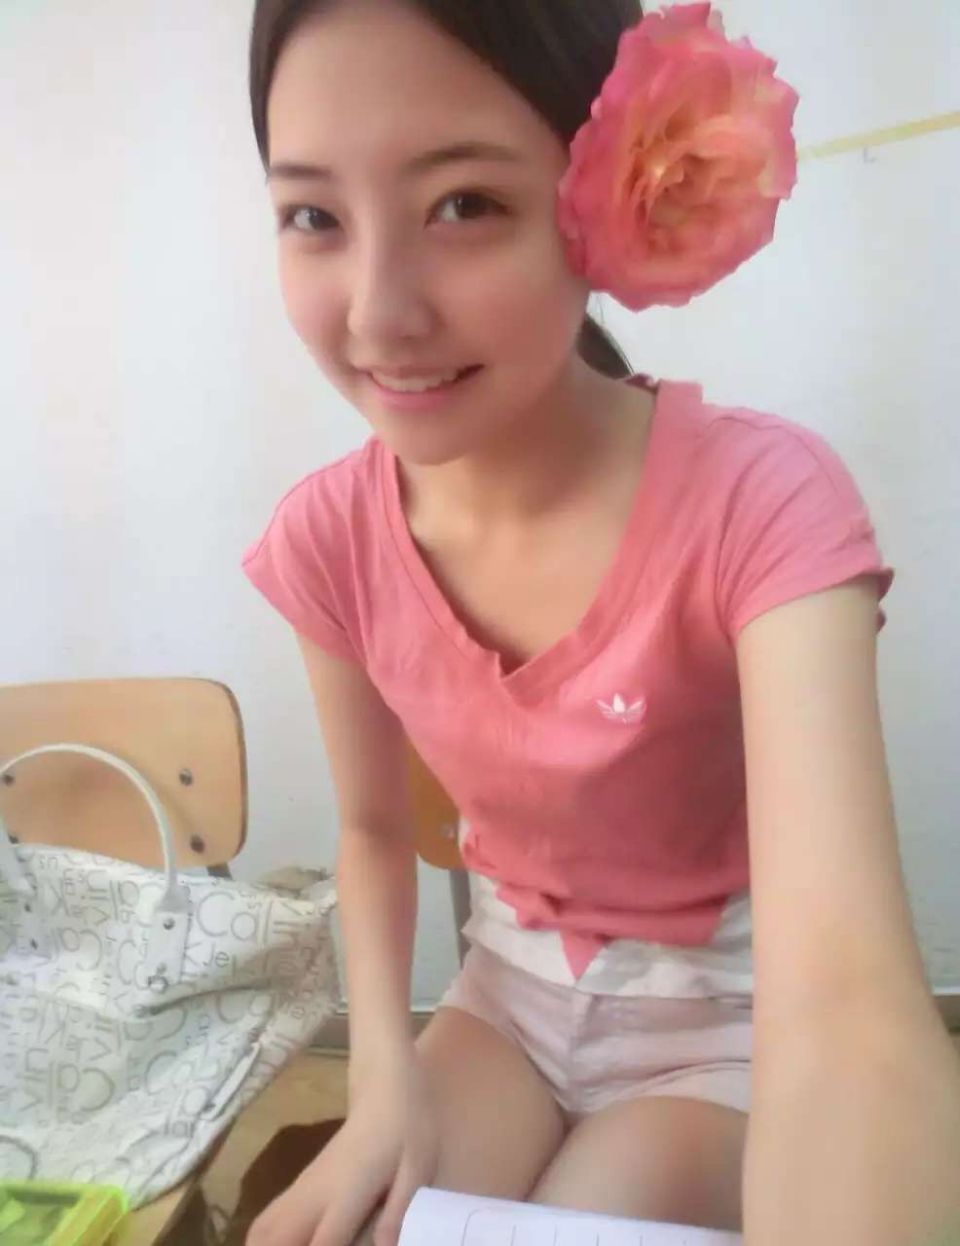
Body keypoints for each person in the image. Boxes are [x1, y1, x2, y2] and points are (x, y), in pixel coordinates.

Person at [241, 2, 960, 1244]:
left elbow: (846, 994)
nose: (378, 312)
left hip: (725, 1018)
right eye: (315, 216)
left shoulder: (759, 504)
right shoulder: (328, 536)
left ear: (615, 202)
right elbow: (371, 826)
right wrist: (382, 1084)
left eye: (465, 203)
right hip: (506, 1004)